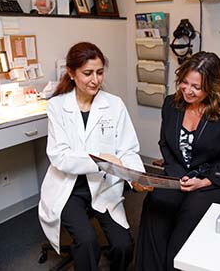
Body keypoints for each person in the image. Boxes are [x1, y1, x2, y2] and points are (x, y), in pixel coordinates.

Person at [135, 51, 220, 271]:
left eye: (196, 87)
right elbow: (165, 145)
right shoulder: (171, 104)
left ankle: (173, 266)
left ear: (213, 86)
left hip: (216, 181)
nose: (188, 90)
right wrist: (178, 175)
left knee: (191, 211)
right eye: (184, 83)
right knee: (156, 203)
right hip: (180, 176)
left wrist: (204, 181)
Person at [38, 42, 144, 271]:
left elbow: (128, 149)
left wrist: (136, 175)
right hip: (69, 188)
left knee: (124, 246)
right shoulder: (57, 107)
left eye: (99, 72)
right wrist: (102, 160)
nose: (95, 79)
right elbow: (60, 156)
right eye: (87, 73)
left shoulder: (114, 105)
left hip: (103, 186)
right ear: (71, 73)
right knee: (87, 242)